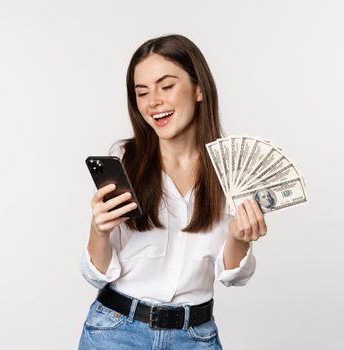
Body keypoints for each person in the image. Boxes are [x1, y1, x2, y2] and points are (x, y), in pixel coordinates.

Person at [78, 34, 268, 349]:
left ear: (198, 89)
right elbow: (97, 274)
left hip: (193, 337)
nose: (153, 102)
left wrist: (238, 236)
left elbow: (234, 276)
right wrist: (98, 229)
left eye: (166, 87)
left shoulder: (230, 170)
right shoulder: (126, 163)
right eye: (142, 93)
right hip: (115, 333)